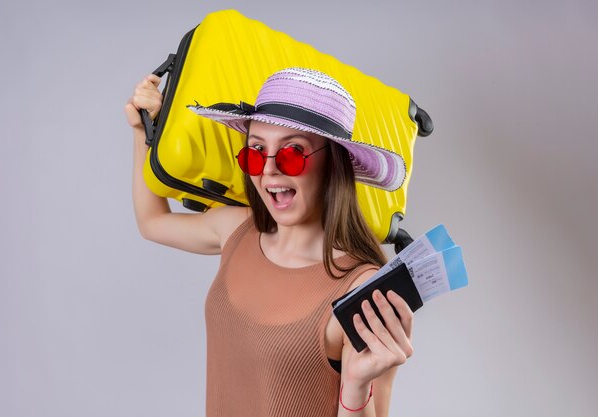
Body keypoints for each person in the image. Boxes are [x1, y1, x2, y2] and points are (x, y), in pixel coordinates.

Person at [125, 67, 414, 417]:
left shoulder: (362, 289)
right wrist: (143, 131)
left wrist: (355, 387)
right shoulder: (237, 229)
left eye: (292, 153)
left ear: (333, 165)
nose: (270, 170)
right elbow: (152, 223)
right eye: (256, 153)